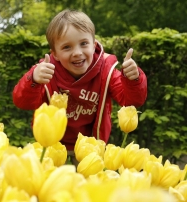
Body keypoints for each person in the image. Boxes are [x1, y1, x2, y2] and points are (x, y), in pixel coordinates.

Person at [12, 9, 147, 154]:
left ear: (94, 45)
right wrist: (33, 80)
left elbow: (131, 102)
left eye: (83, 43)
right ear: (55, 54)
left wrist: (133, 79)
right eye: (67, 47)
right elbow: (22, 102)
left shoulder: (106, 71)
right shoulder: (44, 72)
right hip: (53, 147)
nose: (77, 52)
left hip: (90, 148)